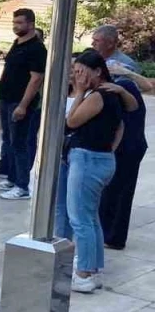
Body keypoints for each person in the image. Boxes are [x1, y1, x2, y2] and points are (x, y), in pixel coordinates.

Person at [54, 50, 129, 293]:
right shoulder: (110, 93)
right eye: (75, 72)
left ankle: (84, 273)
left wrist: (78, 92)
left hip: (87, 160)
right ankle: (93, 269)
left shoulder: (97, 96)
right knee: (91, 217)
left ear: (97, 71)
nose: (77, 76)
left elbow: (72, 121)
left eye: (82, 72)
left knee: (80, 219)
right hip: (98, 159)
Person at [0, 8, 47, 201]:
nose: (16, 26)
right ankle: (11, 179)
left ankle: (22, 186)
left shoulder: (36, 48)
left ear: (31, 24)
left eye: (20, 23)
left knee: (20, 143)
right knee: (9, 140)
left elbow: (36, 79)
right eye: (14, 23)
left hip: (19, 102)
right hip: (6, 99)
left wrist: (23, 105)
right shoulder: (17, 43)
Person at [100, 64, 149, 250]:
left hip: (128, 147)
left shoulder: (123, 84)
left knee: (118, 193)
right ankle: (108, 234)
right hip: (125, 146)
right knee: (113, 192)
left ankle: (113, 237)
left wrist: (127, 73)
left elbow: (147, 87)